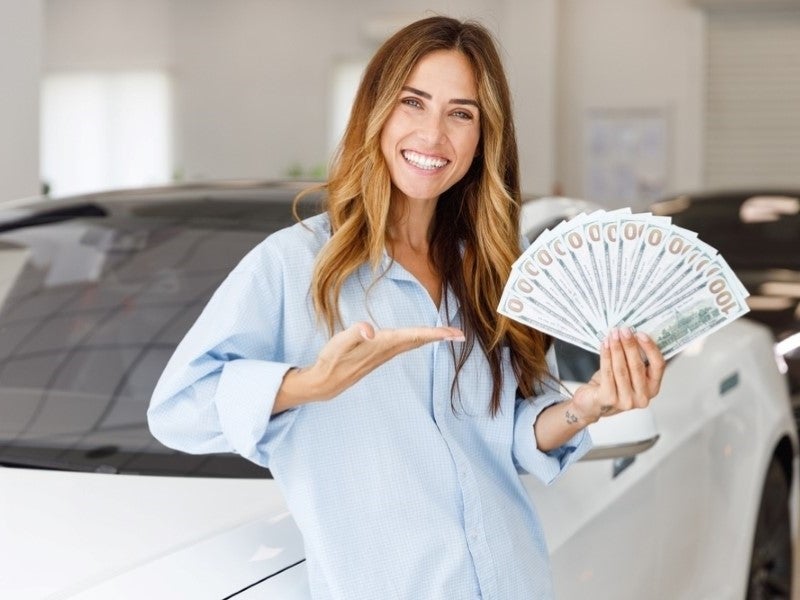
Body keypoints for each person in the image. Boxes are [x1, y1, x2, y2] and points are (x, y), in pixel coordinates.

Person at [147, 15, 665, 600]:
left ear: (483, 136)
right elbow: (176, 411)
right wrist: (308, 385)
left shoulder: (490, 269)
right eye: (412, 103)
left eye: (460, 113)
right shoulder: (293, 265)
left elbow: (509, 439)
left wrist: (588, 405)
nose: (433, 135)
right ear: (375, 112)